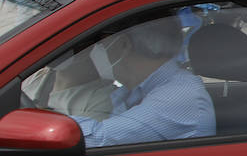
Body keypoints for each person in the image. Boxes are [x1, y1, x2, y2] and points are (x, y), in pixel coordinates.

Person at [69, 16, 216, 148]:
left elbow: (96, 140)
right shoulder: (136, 89)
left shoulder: (180, 95)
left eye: (99, 43)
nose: (93, 51)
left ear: (123, 44)